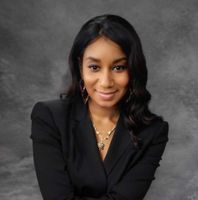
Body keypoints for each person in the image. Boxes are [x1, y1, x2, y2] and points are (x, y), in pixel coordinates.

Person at [30, 14, 169, 200]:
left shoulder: (153, 131)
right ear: (80, 67)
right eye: (94, 67)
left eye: (118, 67)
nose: (106, 82)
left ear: (133, 69)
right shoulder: (49, 118)